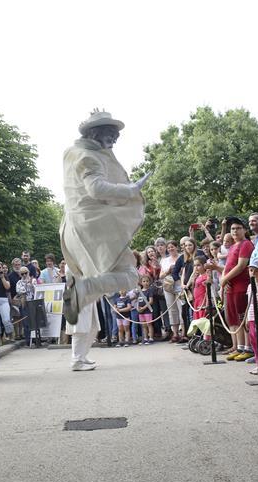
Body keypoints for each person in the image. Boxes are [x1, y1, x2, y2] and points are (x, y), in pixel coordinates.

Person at [60, 110, 149, 325]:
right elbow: (96, 188)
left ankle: (81, 294)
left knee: (105, 275)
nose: (112, 144)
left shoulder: (71, 152)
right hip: (95, 228)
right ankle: (84, 289)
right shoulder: (88, 156)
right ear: (94, 134)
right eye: (110, 138)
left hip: (75, 227)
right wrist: (130, 189)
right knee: (130, 275)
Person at [220, 219, 254, 361]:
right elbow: (228, 265)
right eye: (233, 228)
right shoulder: (233, 246)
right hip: (231, 287)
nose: (235, 231)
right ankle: (239, 346)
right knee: (233, 318)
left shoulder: (246, 244)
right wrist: (225, 279)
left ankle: (248, 347)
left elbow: (241, 266)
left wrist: (224, 279)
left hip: (241, 285)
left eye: (238, 228)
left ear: (244, 230)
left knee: (242, 317)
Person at [0, 262, 14, 341]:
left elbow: (7, 287)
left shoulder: (5, 276)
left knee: (6, 319)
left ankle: (10, 334)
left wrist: (2, 277)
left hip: (3, 300)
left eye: (0, 267)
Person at [15, 267, 36, 344]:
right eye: (22, 273)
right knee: (26, 322)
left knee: (33, 321)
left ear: (28, 272)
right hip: (24, 303)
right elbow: (19, 291)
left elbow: (36, 290)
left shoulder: (33, 280)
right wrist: (27, 285)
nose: (24, 275)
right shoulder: (19, 282)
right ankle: (28, 340)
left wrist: (30, 284)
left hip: (32, 302)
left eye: (25, 273)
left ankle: (34, 339)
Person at [134, 274, 155, 344]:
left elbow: (151, 301)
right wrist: (138, 308)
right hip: (141, 312)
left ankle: (151, 338)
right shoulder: (139, 292)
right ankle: (145, 338)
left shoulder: (149, 291)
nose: (146, 283)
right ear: (141, 282)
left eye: (147, 281)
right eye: (144, 281)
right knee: (143, 325)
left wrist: (143, 307)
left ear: (149, 282)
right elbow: (137, 301)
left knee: (149, 324)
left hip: (147, 311)